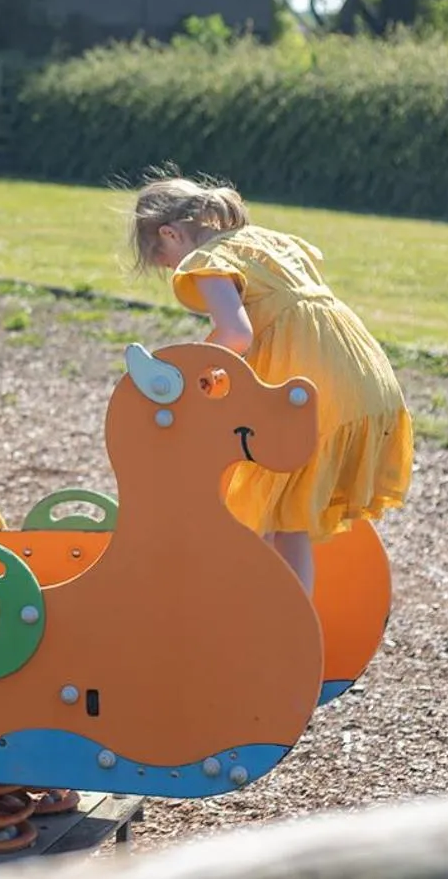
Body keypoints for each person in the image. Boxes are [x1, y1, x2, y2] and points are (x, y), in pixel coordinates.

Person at [130, 174, 413, 592]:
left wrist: (197, 376)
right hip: (364, 374)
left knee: (250, 506)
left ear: (170, 233)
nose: (174, 268)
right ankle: (296, 633)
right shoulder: (263, 241)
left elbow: (236, 335)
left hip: (311, 382)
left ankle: (248, 623)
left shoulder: (208, 259)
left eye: (167, 260)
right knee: (287, 515)